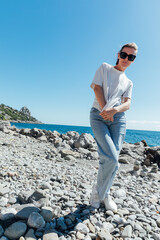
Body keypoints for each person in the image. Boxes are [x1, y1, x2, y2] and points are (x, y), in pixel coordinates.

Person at [90, 42, 138, 212]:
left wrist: (114, 111)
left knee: (112, 161)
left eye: (131, 57)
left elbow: (127, 104)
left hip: (118, 120)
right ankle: (99, 193)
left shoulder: (128, 82)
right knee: (111, 159)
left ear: (133, 60)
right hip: (98, 116)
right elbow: (96, 87)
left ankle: (103, 193)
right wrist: (105, 111)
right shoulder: (105, 68)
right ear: (118, 54)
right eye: (124, 55)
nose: (126, 59)